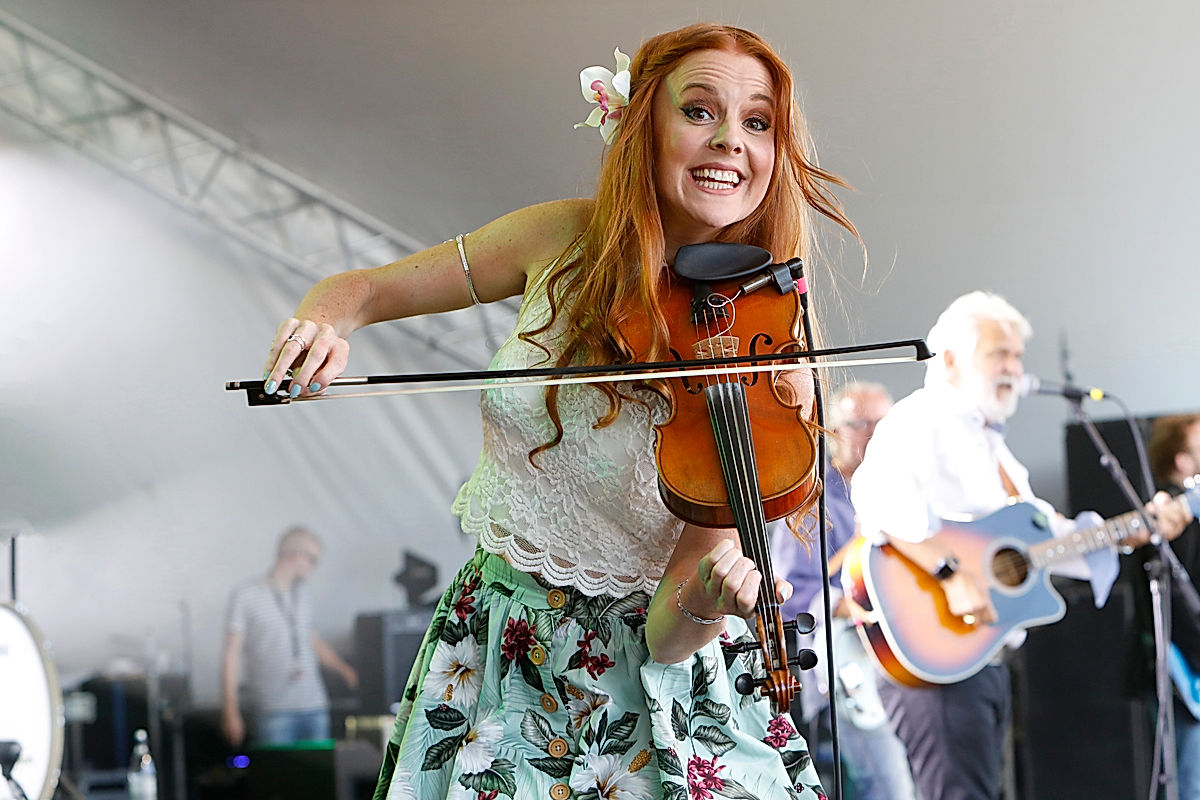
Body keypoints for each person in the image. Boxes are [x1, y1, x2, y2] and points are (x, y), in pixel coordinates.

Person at [261, 23, 860, 800]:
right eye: (699, 111)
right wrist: (323, 323)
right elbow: (367, 289)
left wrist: (709, 603)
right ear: (643, 122)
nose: (729, 142)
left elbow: (666, 631)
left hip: (641, 696)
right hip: (491, 651)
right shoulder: (558, 238)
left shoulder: (768, 356)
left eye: (757, 123)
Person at [848, 291, 1193, 800]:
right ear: (949, 360)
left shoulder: (992, 444)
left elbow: (1043, 536)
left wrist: (1131, 531)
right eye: (998, 354)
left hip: (980, 657)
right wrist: (950, 574)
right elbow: (876, 499)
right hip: (934, 657)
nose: (1013, 367)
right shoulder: (921, 420)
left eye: (1017, 355)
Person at [770, 382, 917, 799]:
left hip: (910, 659)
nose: (874, 434)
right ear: (833, 432)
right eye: (860, 424)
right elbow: (793, 595)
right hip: (852, 662)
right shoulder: (810, 499)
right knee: (891, 789)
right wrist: (859, 603)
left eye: (884, 424)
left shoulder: (907, 492)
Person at [221, 526, 359, 746]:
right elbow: (231, 655)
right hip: (273, 709)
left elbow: (313, 641)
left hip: (314, 706)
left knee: (320, 778)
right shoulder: (246, 595)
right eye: (313, 560)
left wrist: (344, 670)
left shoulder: (302, 594)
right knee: (280, 778)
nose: (314, 567)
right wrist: (230, 710)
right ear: (295, 555)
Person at [1142, 414, 1200, 797]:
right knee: (1187, 778)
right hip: (1182, 668)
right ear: (1181, 459)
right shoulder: (1169, 514)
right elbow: (1176, 599)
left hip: (1182, 663)